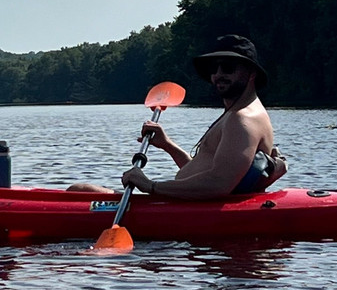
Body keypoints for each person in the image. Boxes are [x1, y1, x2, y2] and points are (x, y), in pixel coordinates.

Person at [69, 34, 287, 199]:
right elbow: (205, 170)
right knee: (79, 191)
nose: (219, 74)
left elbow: (219, 184)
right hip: (189, 202)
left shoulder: (243, 119)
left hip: (198, 210)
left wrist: (150, 186)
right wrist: (168, 145)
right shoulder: (237, 113)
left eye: (228, 68)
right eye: (214, 68)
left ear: (251, 73)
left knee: (78, 191)